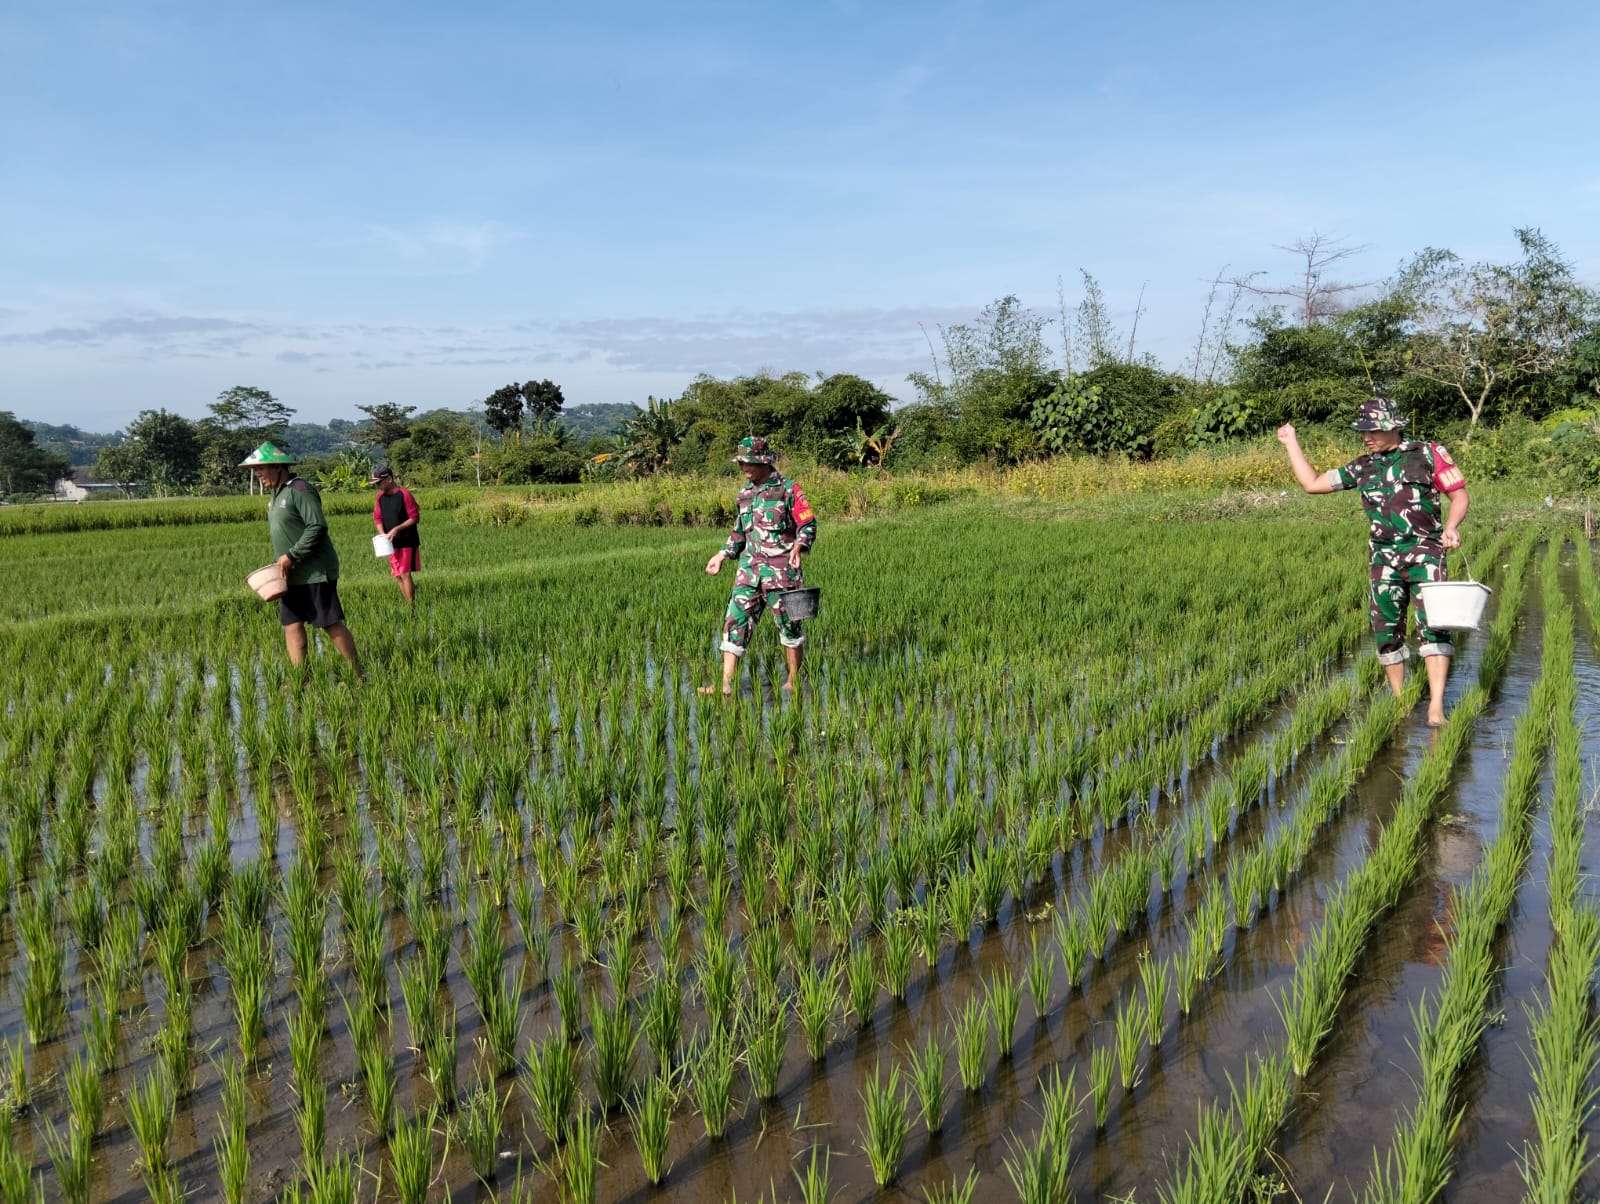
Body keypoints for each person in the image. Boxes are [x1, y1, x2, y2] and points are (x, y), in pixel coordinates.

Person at [1277, 399, 1468, 726]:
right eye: (1362, 431)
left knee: (1434, 626)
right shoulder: (1362, 466)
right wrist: (1291, 443)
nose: (1366, 437)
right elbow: (1313, 484)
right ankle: (1400, 700)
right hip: (1384, 559)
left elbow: (1459, 495)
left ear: (1393, 426)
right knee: (1387, 629)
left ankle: (1436, 707)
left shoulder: (1428, 453)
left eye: (1372, 430)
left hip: (1426, 553)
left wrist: (1451, 527)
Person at [701, 435, 816, 695]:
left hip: (782, 574)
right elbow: (739, 532)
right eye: (741, 463)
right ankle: (725, 685)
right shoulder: (744, 493)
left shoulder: (789, 489)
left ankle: (793, 681)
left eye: (747, 463)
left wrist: (799, 546)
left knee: (790, 626)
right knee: (734, 622)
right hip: (749, 574)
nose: (743, 468)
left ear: (763, 461)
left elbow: (807, 525)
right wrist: (721, 555)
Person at [240, 442, 364, 676]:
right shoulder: (276, 494)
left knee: (329, 622)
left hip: (315, 571)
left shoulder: (299, 489)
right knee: (291, 624)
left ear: (278, 466)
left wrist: (292, 555)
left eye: (262, 469)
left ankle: (358, 673)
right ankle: (300, 678)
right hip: (290, 573)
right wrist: (285, 561)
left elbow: (317, 526)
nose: (258, 474)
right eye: (255, 470)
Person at [370, 463, 421, 611]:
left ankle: (412, 607)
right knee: (397, 574)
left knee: (405, 573)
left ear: (389, 479)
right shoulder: (379, 497)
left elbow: (415, 517)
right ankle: (408, 605)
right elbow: (377, 518)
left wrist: (398, 529)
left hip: (407, 540)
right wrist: (383, 535)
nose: (377, 486)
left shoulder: (404, 494)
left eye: (379, 482)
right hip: (390, 542)